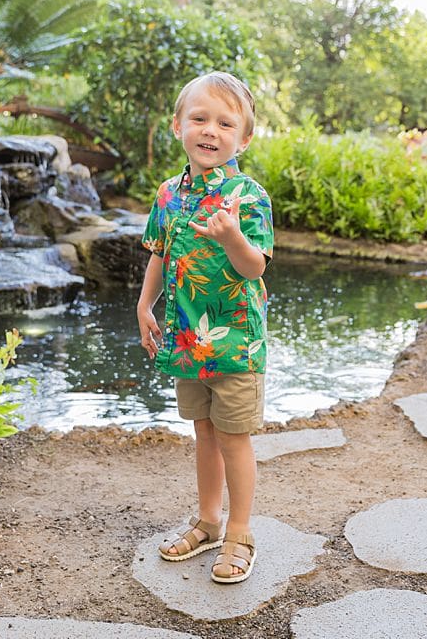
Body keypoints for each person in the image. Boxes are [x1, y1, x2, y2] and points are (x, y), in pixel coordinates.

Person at [137, 71, 274, 585]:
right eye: (199, 118)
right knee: (204, 433)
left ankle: (240, 532)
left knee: (234, 437)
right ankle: (209, 521)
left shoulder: (247, 195)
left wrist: (232, 236)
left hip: (236, 343)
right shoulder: (168, 194)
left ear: (245, 138)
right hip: (187, 339)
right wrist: (144, 304)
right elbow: (159, 252)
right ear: (178, 126)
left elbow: (254, 268)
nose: (210, 130)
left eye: (225, 123)